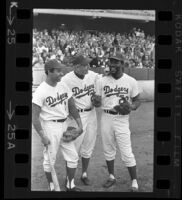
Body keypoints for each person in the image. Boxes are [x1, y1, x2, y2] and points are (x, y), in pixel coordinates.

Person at [32, 59, 83, 192]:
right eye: (58, 70)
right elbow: (34, 116)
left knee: (73, 157)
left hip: (64, 125)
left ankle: (70, 185)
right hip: (50, 127)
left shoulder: (63, 86)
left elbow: (72, 106)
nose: (62, 73)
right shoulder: (41, 91)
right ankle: (52, 187)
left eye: (62, 70)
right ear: (49, 71)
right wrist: (42, 135)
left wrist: (79, 124)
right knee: (49, 160)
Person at [95, 52, 141, 191]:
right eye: (110, 61)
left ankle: (134, 181)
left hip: (122, 119)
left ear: (122, 64)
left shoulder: (131, 81)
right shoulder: (101, 81)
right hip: (106, 117)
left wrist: (131, 106)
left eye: (115, 62)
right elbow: (97, 102)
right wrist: (96, 101)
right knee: (108, 149)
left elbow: (137, 100)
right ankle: (111, 177)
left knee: (126, 151)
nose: (112, 64)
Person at [62, 54, 101, 186]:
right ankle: (69, 178)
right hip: (76, 117)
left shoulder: (92, 75)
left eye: (88, 64)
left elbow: (104, 79)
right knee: (72, 149)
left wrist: (97, 98)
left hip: (92, 115)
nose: (88, 67)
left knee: (88, 146)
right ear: (76, 67)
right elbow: (62, 98)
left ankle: (84, 173)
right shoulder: (66, 80)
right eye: (85, 65)